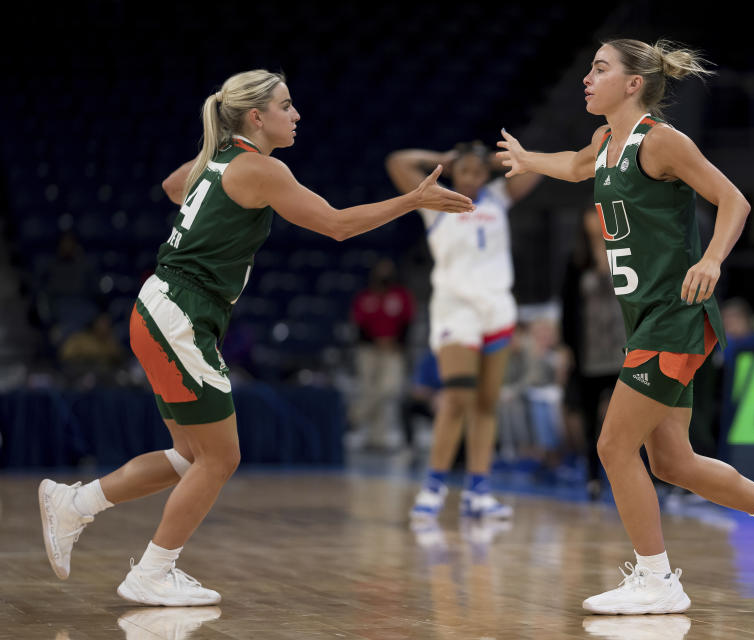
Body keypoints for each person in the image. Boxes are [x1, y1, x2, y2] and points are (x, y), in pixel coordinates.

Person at [38, 69, 473, 606]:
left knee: (189, 456)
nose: (297, 115)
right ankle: (152, 571)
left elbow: (177, 188)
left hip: (160, 308)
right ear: (256, 117)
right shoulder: (260, 169)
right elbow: (337, 226)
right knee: (220, 459)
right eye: (287, 106)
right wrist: (412, 200)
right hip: (181, 313)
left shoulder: (219, 161)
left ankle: (75, 505)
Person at [497, 39, 754, 614]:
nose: (587, 78)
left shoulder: (661, 141)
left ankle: (658, 578)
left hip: (676, 315)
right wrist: (529, 162)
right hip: (645, 317)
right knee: (672, 462)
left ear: (632, 84)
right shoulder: (604, 143)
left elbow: (734, 201)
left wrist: (712, 259)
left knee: (613, 444)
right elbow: (576, 166)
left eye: (600, 68)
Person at [386, 142, 540, 519]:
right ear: (455, 171)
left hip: (497, 308)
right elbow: (397, 161)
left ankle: (479, 491)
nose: (472, 178)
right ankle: (434, 485)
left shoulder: (499, 197)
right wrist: (443, 159)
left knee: (486, 404)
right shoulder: (433, 201)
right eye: (466, 171)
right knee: (456, 399)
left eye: (478, 171)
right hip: (456, 310)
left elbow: (536, 166)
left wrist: (492, 159)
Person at [561, 206, 625, 500]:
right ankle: (592, 478)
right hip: (589, 352)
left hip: (622, 349)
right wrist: (567, 348)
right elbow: (567, 310)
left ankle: (634, 476)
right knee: (590, 420)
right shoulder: (576, 262)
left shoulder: (626, 253)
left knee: (627, 418)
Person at [348, 257, 415, 450]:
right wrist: (376, 342)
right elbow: (358, 325)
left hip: (394, 351)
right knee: (369, 390)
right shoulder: (365, 297)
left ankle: (354, 416)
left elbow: (408, 322)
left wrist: (397, 343)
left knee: (389, 389)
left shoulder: (401, 295)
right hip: (368, 350)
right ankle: (376, 439)